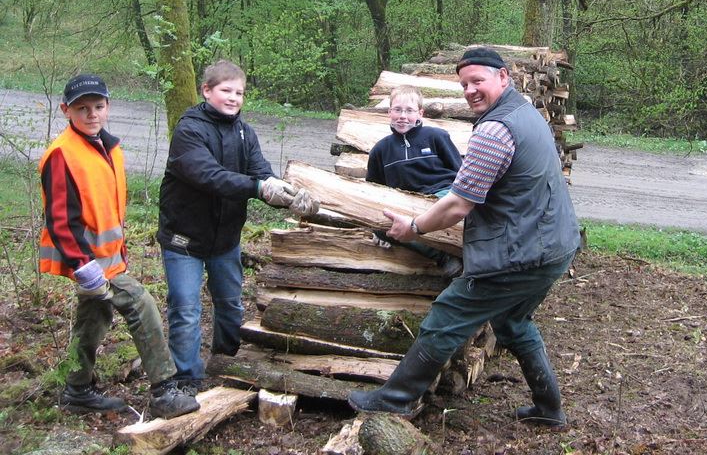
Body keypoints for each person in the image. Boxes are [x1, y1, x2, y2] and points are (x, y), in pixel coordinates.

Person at [348, 47, 581, 426]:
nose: (470, 90)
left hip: (520, 254)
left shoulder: (495, 131)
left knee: (446, 316)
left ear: (503, 77)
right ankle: (549, 409)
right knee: (513, 323)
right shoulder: (524, 112)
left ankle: (395, 399)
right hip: (556, 246)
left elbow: (458, 204)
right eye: (464, 84)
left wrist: (413, 228)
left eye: (477, 81)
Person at [40, 75, 199, 419]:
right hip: (90, 262)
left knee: (94, 316)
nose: (92, 114)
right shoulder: (62, 154)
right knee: (141, 303)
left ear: (108, 107)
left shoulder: (108, 148)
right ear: (66, 110)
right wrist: (84, 267)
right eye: (82, 108)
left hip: (108, 259)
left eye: (98, 106)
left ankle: (77, 389)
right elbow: (60, 220)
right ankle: (164, 390)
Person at [157, 60, 316, 394]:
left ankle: (227, 362)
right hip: (184, 239)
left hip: (225, 239)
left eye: (239, 92)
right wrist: (259, 188)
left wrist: (287, 195)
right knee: (186, 309)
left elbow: (261, 172)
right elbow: (209, 176)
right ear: (206, 91)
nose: (233, 98)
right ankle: (187, 379)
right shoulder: (189, 131)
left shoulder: (245, 132)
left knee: (230, 305)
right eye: (226, 90)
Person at [366, 85, 463, 276]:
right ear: (389, 112)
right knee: (380, 226)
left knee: (438, 208)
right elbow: (374, 189)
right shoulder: (380, 150)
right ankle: (444, 257)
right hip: (406, 203)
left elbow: (460, 172)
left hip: (442, 195)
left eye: (409, 110)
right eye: (397, 110)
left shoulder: (436, 136)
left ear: (420, 113)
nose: (403, 116)